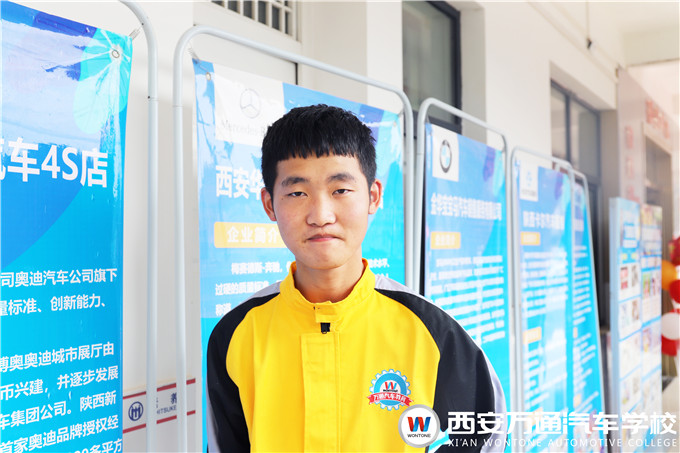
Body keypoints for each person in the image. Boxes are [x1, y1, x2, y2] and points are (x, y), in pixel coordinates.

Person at [206, 104, 506, 452]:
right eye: (297, 193)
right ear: (270, 204)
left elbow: (486, 433)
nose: (321, 215)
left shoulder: (430, 331)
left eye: (340, 190)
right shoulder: (236, 335)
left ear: (373, 197)